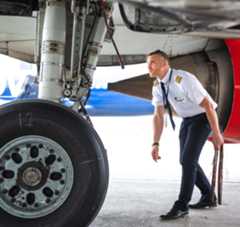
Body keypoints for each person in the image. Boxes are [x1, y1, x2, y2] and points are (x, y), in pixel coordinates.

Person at [147, 49, 224, 220]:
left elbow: (209, 107)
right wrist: (155, 143)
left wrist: (217, 134)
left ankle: (182, 205)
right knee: (185, 160)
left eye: (153, 62)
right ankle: (208, 196)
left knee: (189, 160)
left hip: (203, 118)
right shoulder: (157, 86)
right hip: (188, 121)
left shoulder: (182, 79)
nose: (149, 66)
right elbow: (158, 116)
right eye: (148, 62)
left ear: (165, 64)